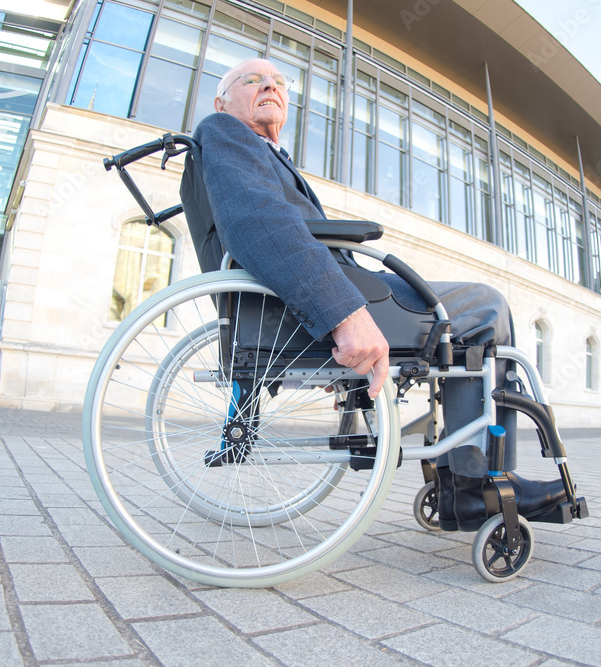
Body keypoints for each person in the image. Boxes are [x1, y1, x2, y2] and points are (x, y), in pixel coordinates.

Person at [184, 58, 565, 530]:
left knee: (470, 314)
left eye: (280, 82)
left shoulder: (259, 152)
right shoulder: (223, 130)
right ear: (222, 101)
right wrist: (343, 315)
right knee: (485, 307)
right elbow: (259, 225)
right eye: (252, 79)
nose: (270, 85)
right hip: (325, 298)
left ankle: (469, 481)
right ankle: (478, 484)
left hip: (307, 299)